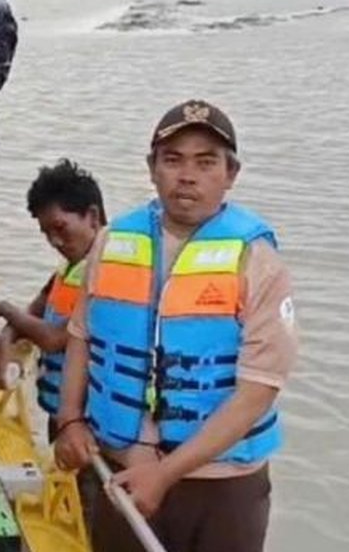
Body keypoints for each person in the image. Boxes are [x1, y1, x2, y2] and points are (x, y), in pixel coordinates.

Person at [53, 100, 299, 552]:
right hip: (119, 465)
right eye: (173, 160)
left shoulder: (257, 260)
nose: (187, 176)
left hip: (222, 483)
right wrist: (69, 418)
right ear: (152, 168)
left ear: (231, 173)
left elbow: (258, 390)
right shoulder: (112, 241)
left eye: (206, 162)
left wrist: (164, 474)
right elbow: (80, 338)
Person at [0, 159, 105, 437]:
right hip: (57, 410)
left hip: (86, 420)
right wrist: (6, 336)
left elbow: (54, 338)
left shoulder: (108, 269)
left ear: (93, 217)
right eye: (47, 233)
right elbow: (34, 310)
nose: (55, 242)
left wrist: (5, 309)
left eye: (60, 228)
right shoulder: (70, 266)